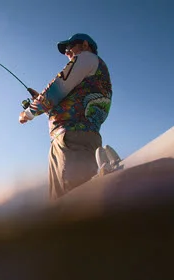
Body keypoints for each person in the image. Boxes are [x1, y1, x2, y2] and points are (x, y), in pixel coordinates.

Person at [20, 33, 112, 200]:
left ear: (85, 45)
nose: (67, 53)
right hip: (80, 136)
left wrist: (29, 113)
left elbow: (57, 87)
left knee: (72, 202)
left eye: (70, 48)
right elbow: (74, 104)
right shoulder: (95, 70)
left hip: (71, 139)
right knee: (63, 202)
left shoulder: (86, 58)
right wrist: (44, 103)